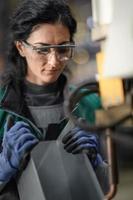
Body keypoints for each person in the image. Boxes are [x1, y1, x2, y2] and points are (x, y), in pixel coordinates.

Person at [0, 0, 108, 199]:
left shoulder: (87, 103)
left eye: (63, 48)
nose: (54, 61)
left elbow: (108, 187)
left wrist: (96, 163)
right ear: (21, 47)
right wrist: (3, 168)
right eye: (42, 49)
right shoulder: (2, 109)